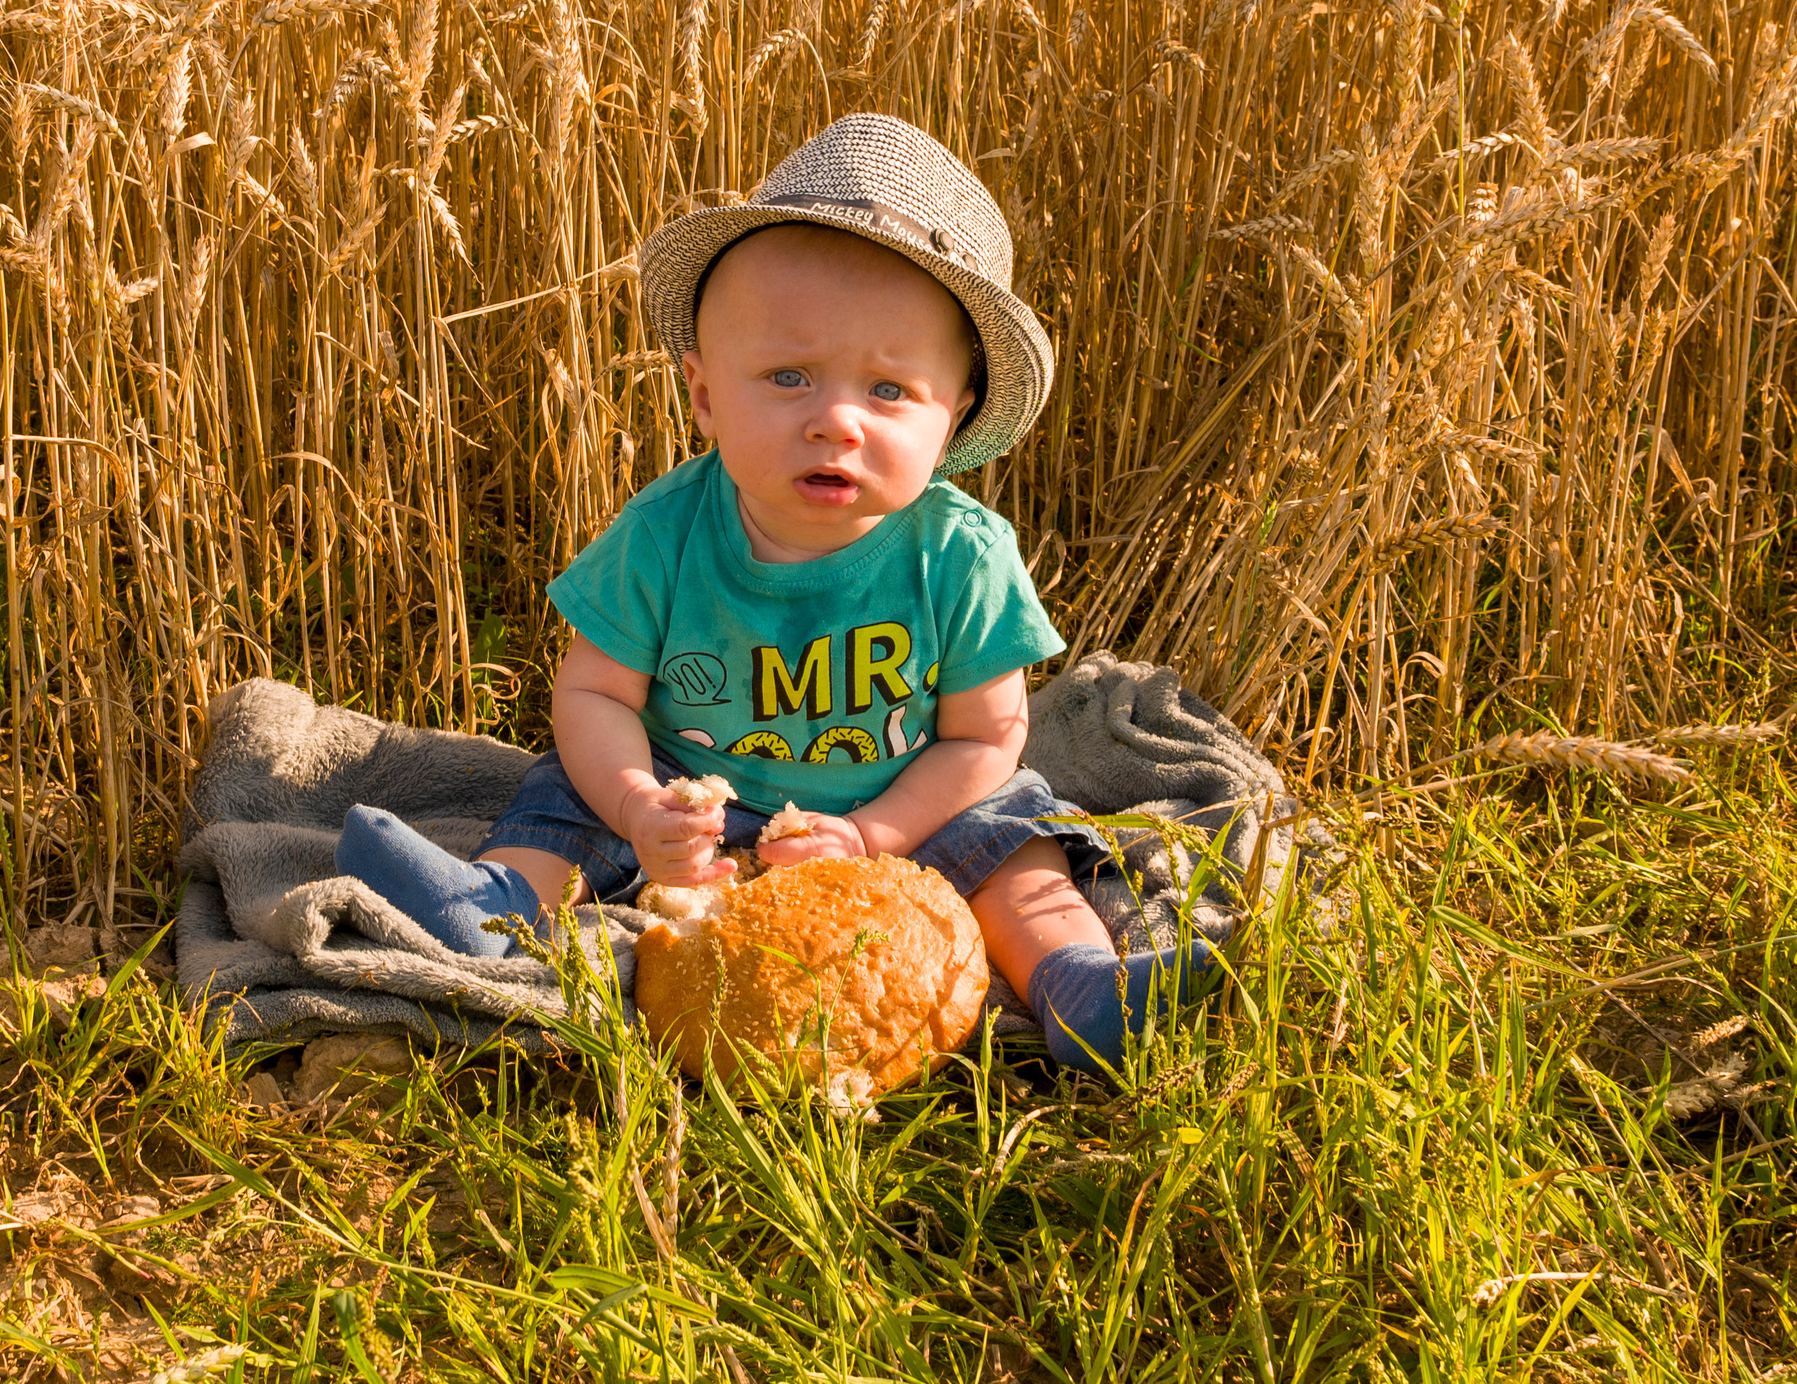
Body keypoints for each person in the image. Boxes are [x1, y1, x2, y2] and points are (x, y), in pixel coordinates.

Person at [335, 114, 1219, 1072]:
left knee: (1015, 833)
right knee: (560, 802)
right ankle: (490, 906)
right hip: (690, 795)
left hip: (899, 802)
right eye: (788, 377)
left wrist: (872, 834)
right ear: (706, 394)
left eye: (889, 391)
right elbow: (594, 693)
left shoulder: (962, 555)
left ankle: (1078, 981)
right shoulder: (667, 533)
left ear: (953, 417)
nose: (835, 420)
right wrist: (638, 805)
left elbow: (982, 739)